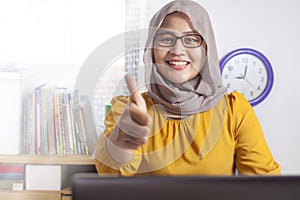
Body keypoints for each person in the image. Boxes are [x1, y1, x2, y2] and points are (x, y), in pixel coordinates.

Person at [93, 0, 281, 176]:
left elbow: (265, 183)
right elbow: (111, 177)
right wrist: (123, 142)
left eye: (191, 39)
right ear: (151, 48)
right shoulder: (130, 110)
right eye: (166, 39)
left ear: (206, 49)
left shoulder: (234, 111)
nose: (177, 50)